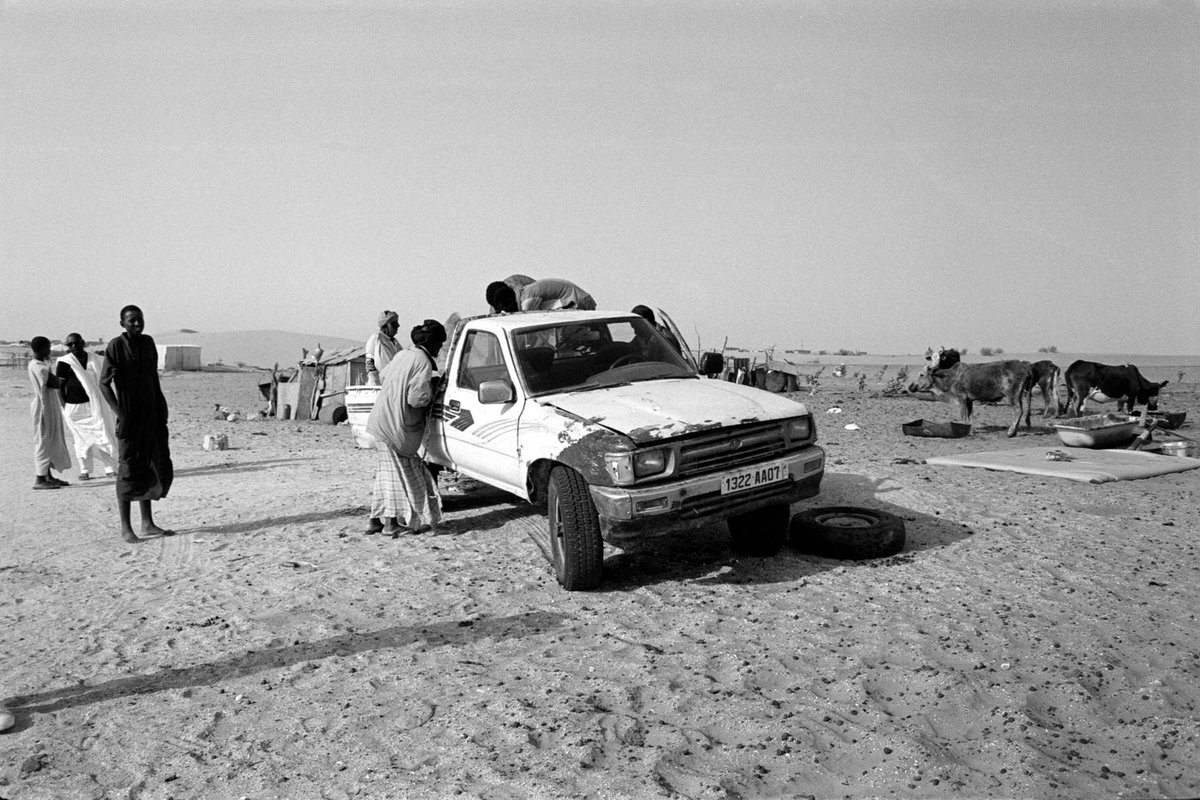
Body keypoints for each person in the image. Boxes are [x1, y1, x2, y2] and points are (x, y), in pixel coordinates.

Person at [365, 319, 455, 537]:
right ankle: (390, 525)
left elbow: (385, 374)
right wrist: (433, 389)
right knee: (399, 478)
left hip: (381, 420)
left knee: (386, 476)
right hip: (397, 427)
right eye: (440, 344)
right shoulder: (423, 361)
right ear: (433, 343)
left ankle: (374, 521)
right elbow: (417, 399)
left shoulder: (404, 354)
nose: (439, 349)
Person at [99, 305, 175, 544]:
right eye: (131, 320)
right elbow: (104, 383)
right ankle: (125, 528)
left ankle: (147, 523)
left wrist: (161, 407)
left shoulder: (148, 343)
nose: (136, 323)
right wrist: (119, 412)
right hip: (130, 417)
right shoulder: (115, 346)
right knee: (128, 470)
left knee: (150, 465)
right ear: (122, 323)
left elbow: (153, 378)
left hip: (151, 415)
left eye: (139, 319)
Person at [55, 333, 117, 480]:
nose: (74, 346)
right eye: (70, 344)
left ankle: (110, 468)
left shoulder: (96, 359)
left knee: (102, 434)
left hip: (96, 404)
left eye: (77, 343)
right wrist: (65, 408)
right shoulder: (64, 362)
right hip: (74, 407)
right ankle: (85, 470)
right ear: (67, 346)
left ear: (83, 342)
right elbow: (60, 386)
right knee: (81, 439)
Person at [28, 336, 72, 490]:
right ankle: (40, 479)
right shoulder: (39, 367)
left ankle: (48, 476)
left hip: (49, 406)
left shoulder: (40, 364)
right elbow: (55, 383)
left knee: (51, 441)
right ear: (40, 349)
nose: (49, 351)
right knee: (43, 443)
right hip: (43, 408)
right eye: (47, 348)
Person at [364, 310, 401, 385]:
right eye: (394, 323)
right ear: (387, 324)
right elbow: (370, 363)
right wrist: (375, 382)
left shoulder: (396, 343)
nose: (398, 325)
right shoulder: (376, 339)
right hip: (380, 384)